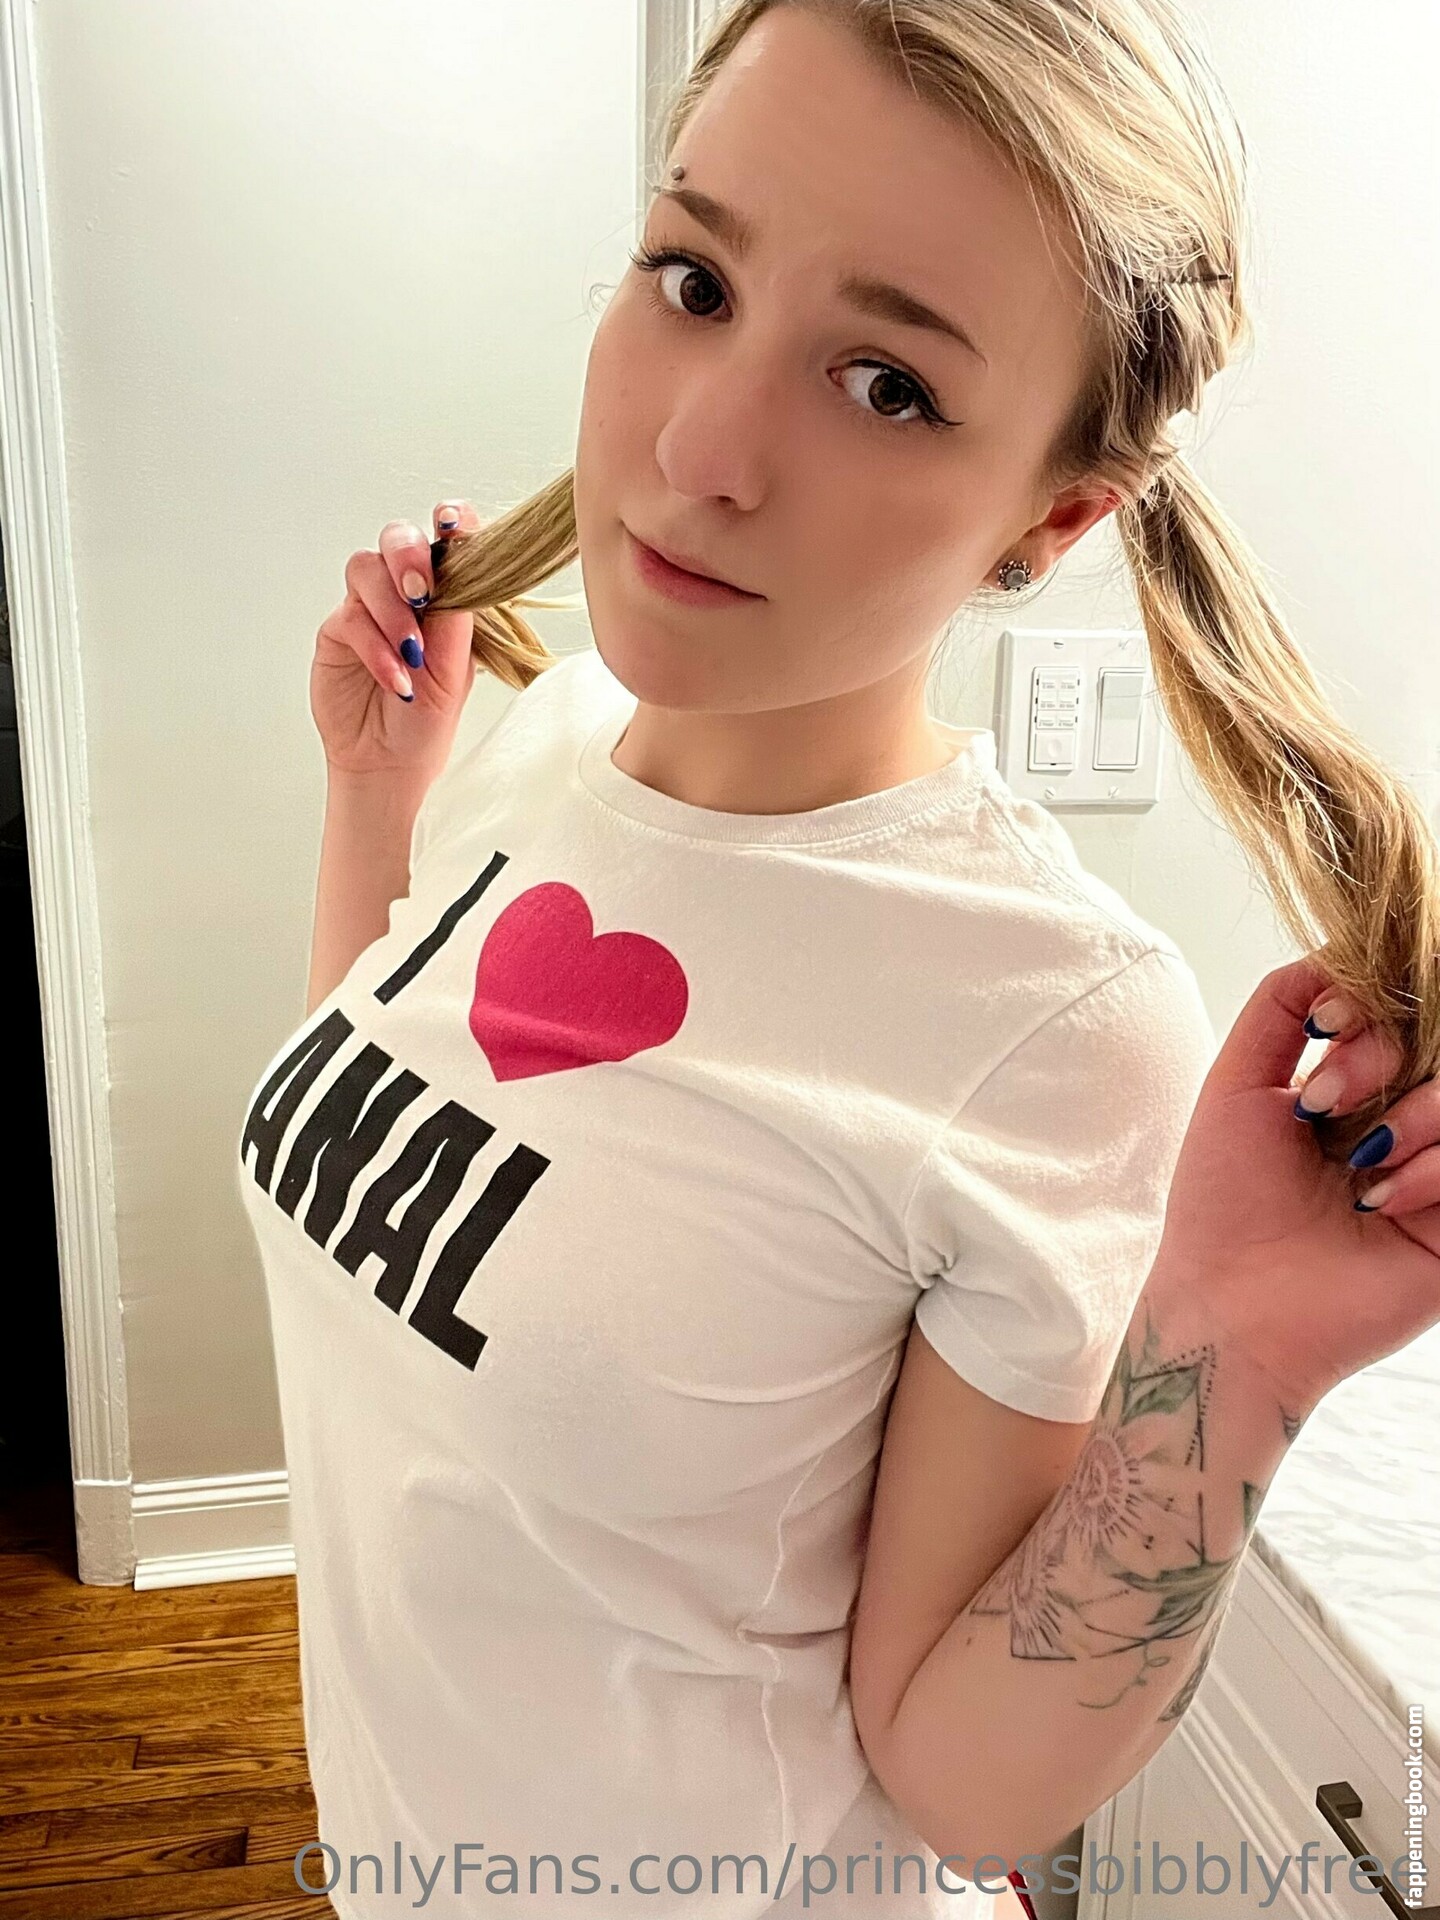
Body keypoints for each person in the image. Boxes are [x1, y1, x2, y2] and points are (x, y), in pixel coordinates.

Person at [237, 2, 1440, 1915]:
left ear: (1052, 517)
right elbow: (400, 1166)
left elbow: (959, 1786)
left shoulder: (1049, 1019)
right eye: (694, 279)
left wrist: (1242, 1352)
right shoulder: (546, 745)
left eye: (886, 384)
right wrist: (374, 795)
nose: (699, 447)